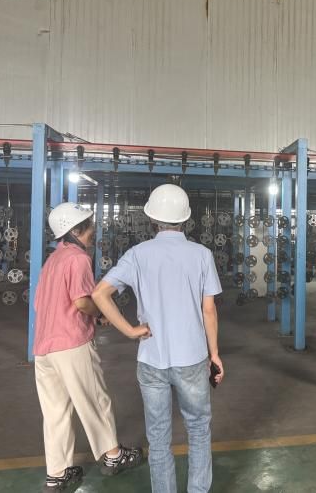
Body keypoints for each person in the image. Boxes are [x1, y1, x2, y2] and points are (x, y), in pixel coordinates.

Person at [92, 184, 224, 493]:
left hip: (151, 359)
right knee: (198, 429)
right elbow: (208, 310)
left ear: (152, 219)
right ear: (186, 219)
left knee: (159, 436)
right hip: (192, 359)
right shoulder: (202, 255)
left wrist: (130, 331)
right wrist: (214, 354)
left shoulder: (137, 255)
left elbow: (100, 294)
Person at [33, 202, 144, 492]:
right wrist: (101, 313)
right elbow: (82, 301)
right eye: (90, 225)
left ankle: (57, 474)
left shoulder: (52, 261)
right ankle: (113, 456)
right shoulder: (78, 259)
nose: (94, 229)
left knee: (55, 412)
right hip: (71, 343)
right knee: (95, 399)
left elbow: (40, 304)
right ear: (76, 230)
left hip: (44, 347)